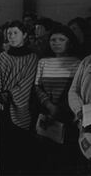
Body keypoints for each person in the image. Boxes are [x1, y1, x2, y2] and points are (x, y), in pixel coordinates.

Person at [34, 25, 82, 174]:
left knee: (65, 157)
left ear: (70, 42)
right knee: (46, 156)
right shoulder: (43, 62)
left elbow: (76, 89)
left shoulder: (77, 63)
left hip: (68, 115)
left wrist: (61, 108)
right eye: (53, 39)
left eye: (61, 39)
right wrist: (49, 105)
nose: (56, 42)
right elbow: (37, 86)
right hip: (47, 113)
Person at [0, 20, 38, 175]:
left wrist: (11, 94)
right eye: (9, 33)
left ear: (24, 35)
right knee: (2, 143)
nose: (11, 36)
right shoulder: (3, 56)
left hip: (20, 105)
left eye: (15, 33)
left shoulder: (32, 57)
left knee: (19, 143)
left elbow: (27, 81)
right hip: (1, 104)